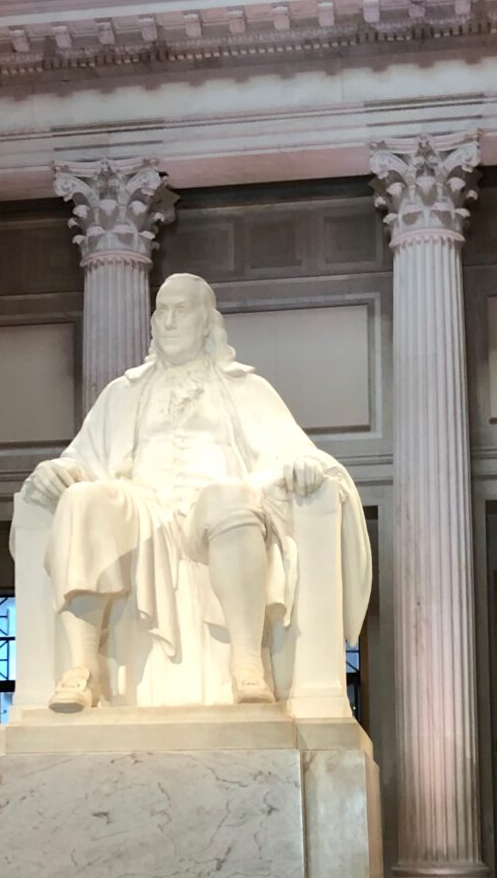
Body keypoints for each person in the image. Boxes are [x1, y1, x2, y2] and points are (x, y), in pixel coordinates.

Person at [22, 273, 370, 711]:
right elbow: (83, 458)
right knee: (82, 499)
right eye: (161, 311)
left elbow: (294, 450)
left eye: (181, 310)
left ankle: (246, 662)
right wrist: (56, 470)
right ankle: (83, 668)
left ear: (207, 322)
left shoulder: (245, 388)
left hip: (217, 511)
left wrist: (304, 465)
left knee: (230, 498)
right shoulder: (123, 393)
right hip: (143, 511)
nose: (168, 321)